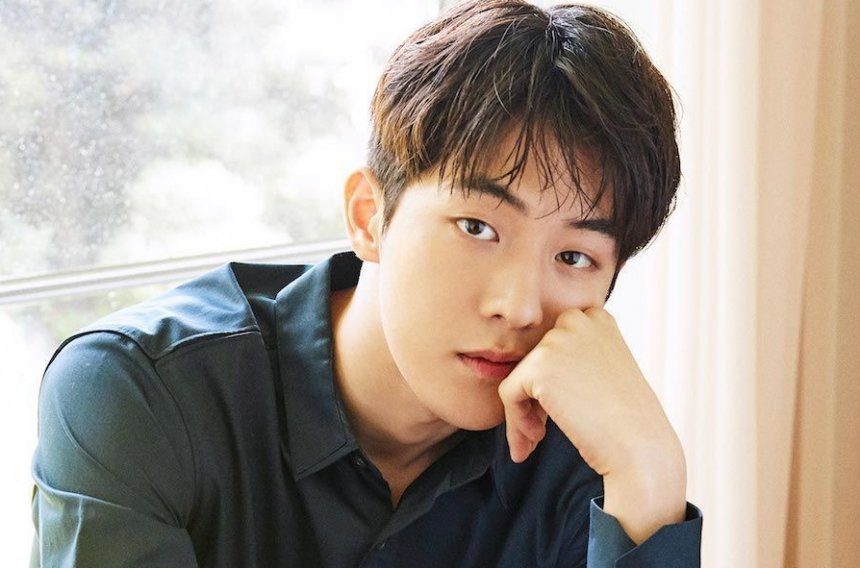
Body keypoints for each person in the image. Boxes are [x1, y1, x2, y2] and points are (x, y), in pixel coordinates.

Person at [29, 1, 703, 566]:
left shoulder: (593, 453)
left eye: (575, 257)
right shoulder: (139, 393)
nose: (520, 307)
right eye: (477, 227)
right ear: (369, 217)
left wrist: (651, 479)